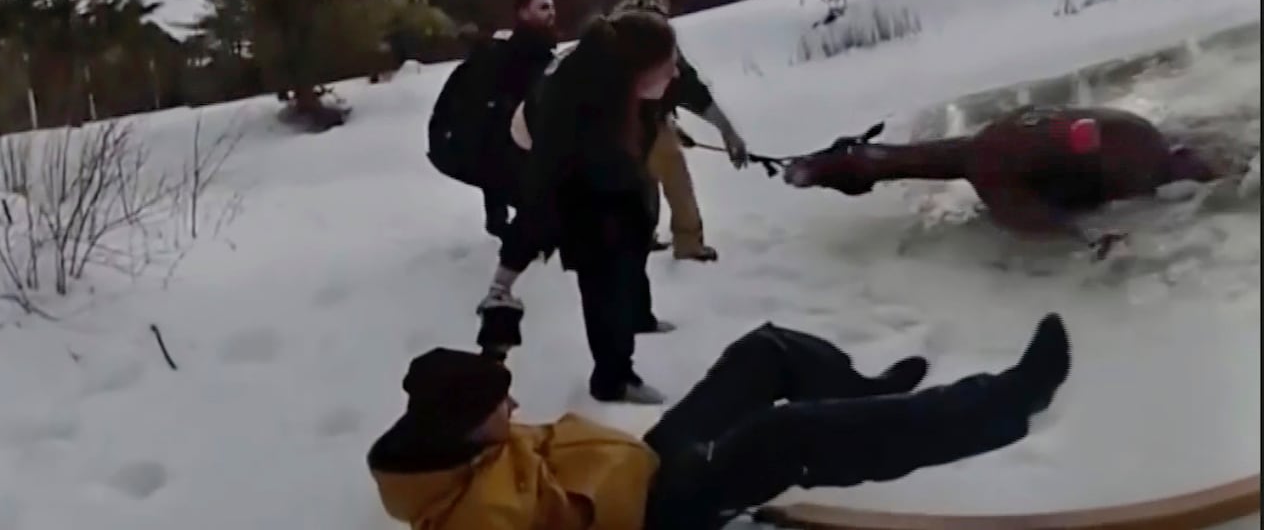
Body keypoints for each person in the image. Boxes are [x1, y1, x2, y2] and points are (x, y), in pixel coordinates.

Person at [369, 313, 1073, 530]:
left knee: (763, 353)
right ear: (465, 428)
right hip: (660, 516)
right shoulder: (474, 521)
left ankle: (862, 395)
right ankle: (1011, 401)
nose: (516, 410)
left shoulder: (455, 450)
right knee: (786, 434)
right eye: (501, 406)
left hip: (643, 468)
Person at [479, 10, 683, 404]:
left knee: (636, 226)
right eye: (668, 68)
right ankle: (612, 379)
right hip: (546, 151)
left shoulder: (624, 66)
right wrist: (514, 264)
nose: (673, 75)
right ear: (635, 75)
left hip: (604, 154)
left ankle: (638, 314)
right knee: (601, 266)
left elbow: (682, 86)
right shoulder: (577, 111)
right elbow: (542, 192)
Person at [782, 105, 1234, 256]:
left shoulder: (994, 163)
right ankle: (843, 164)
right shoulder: (1003, 136)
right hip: (1126, 140)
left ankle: (842, 165)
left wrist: (1088, 239)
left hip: (1113, 160)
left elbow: (1050, 226)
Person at [615, 0, 749, 262]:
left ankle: (637, 236)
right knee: (673, 172)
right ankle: (688, 244)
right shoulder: (650, 28)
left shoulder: (614, 26)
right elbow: (686, 86)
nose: (667, 0)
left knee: (639, 179)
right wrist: (727, 130)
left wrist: (669, 122)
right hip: (636, 124)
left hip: (615, 125)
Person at [428, 0, 561, 239]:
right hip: (504, 151)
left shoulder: (539, 53)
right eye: (543, 7)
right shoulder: (512, 57)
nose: (552, 13)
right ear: (523, 13)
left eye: (552, 7)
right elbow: (490, 124)